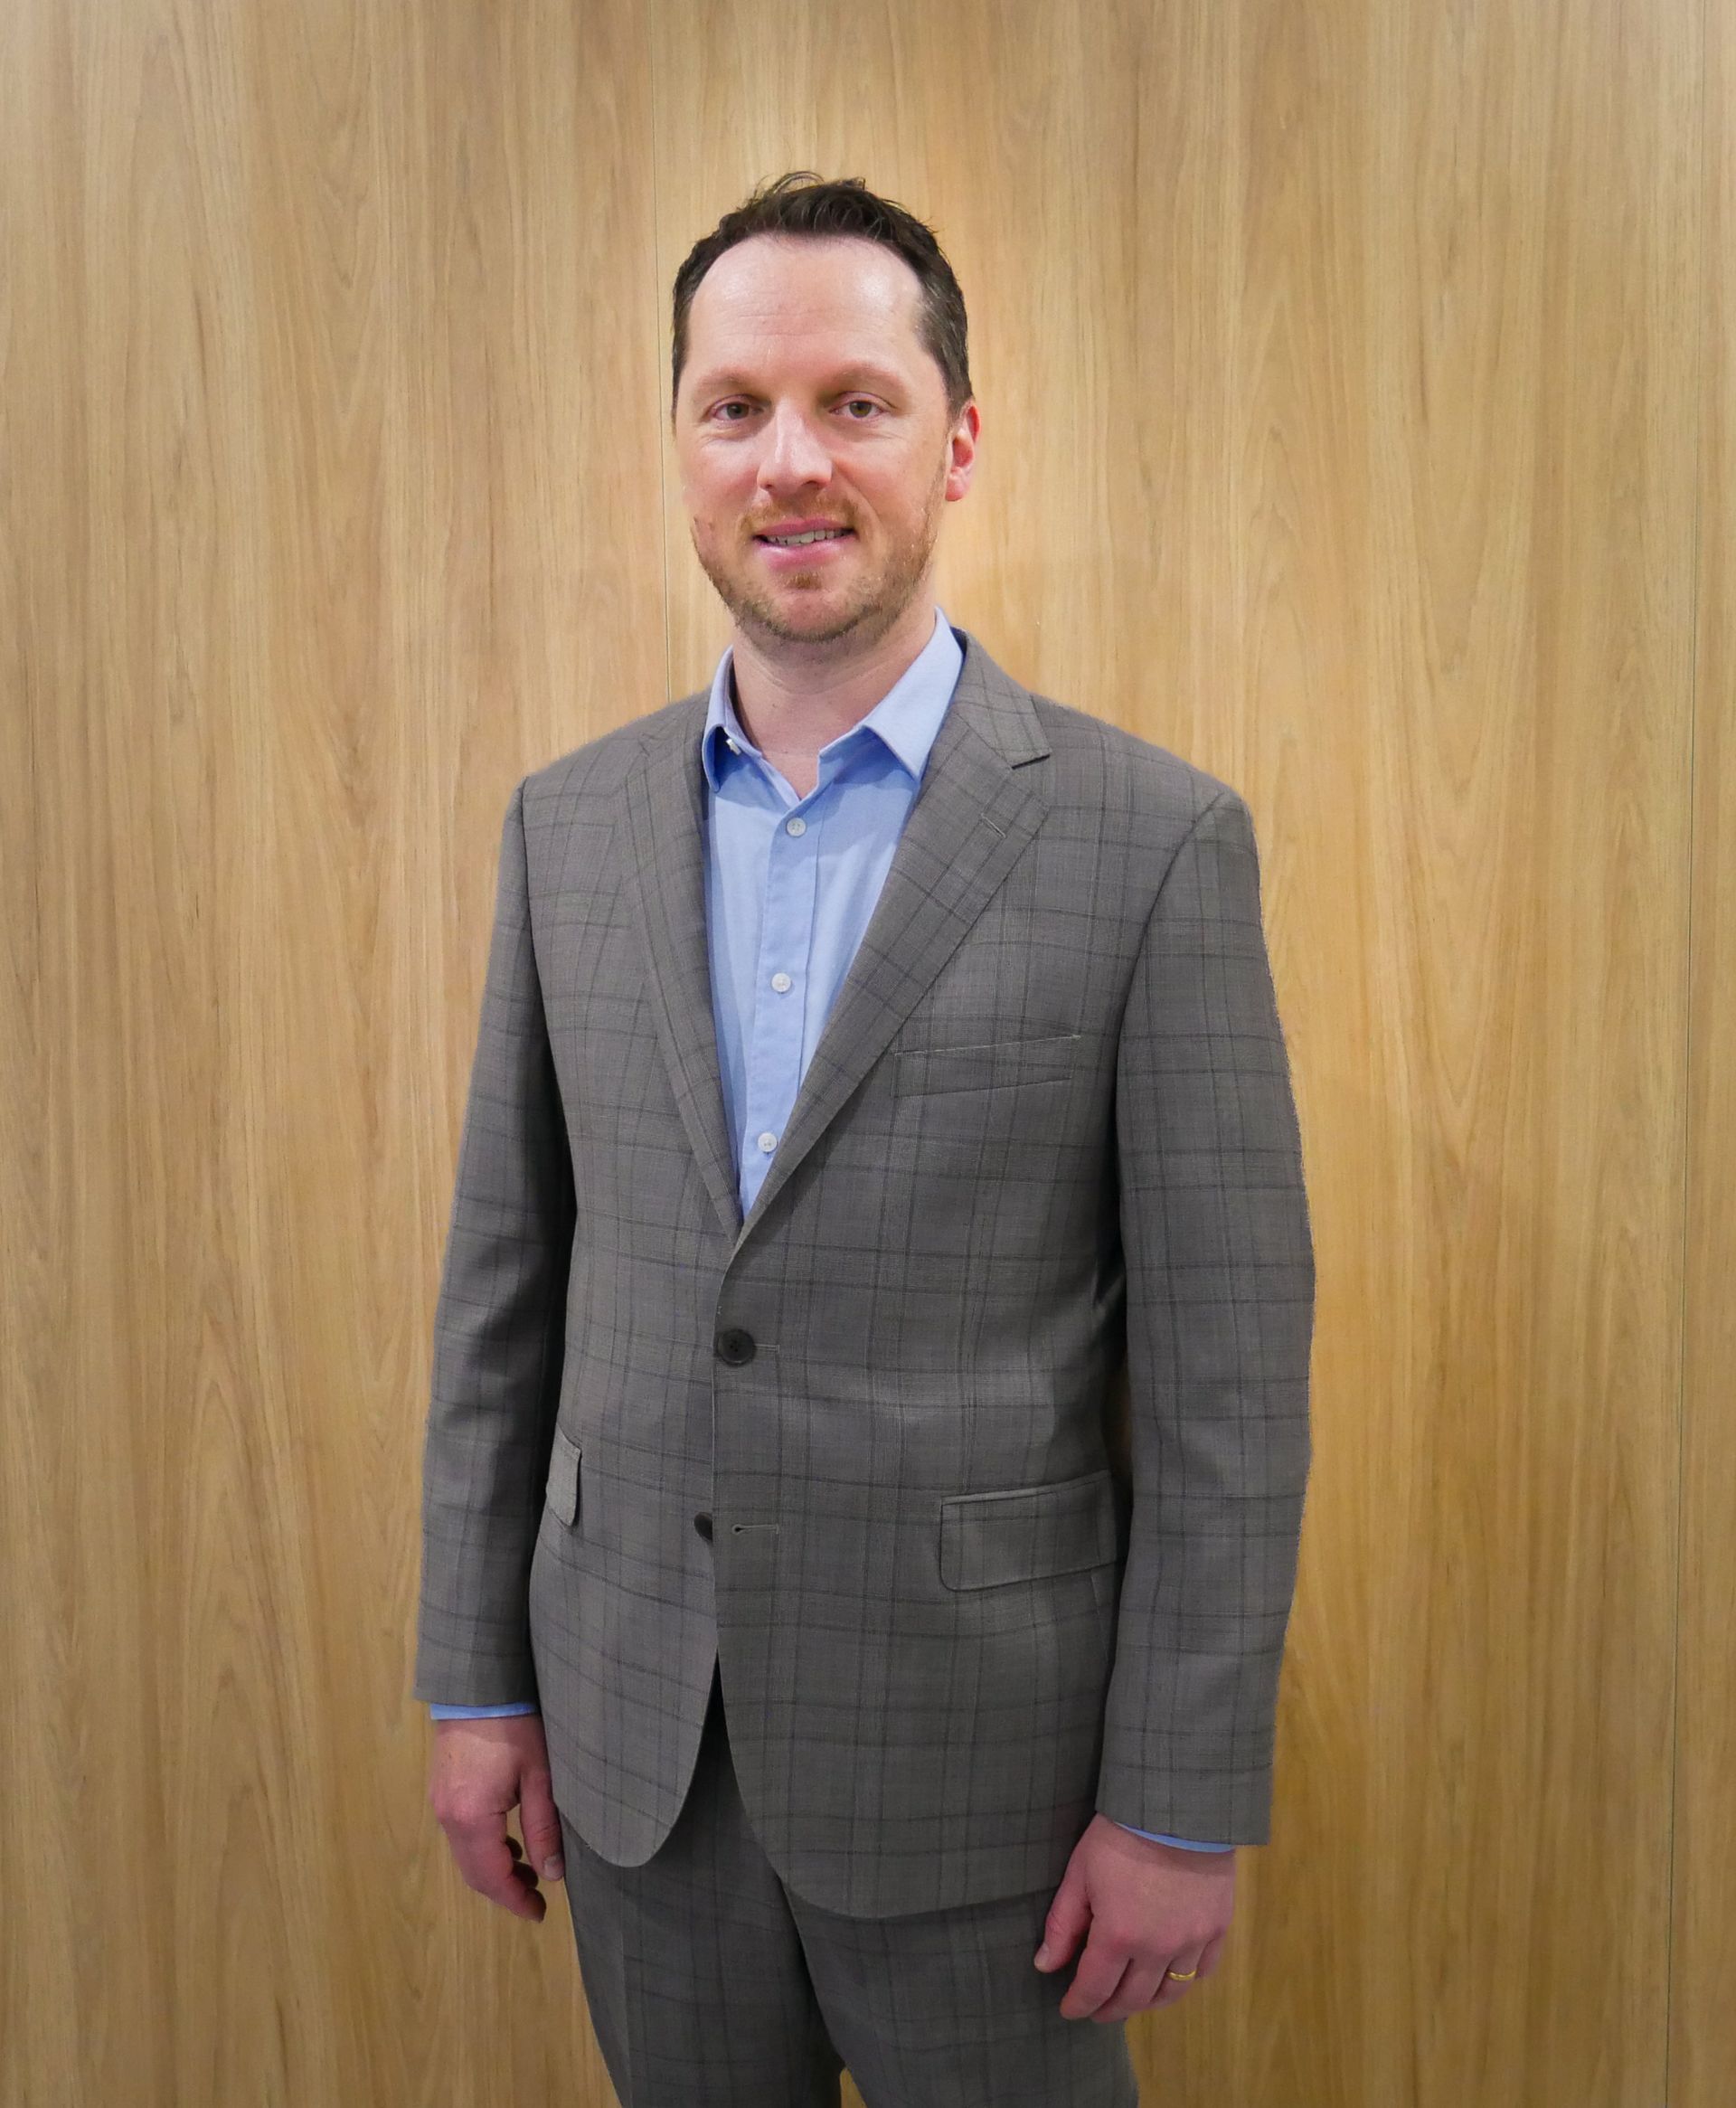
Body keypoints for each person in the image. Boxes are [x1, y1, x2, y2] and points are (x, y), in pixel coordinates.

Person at [413, 171, 1315, 2108]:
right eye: (735, 406)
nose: (790, 462)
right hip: (641, 1755)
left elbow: (1231, 1376)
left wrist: (1177, 1793)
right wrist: (477, 1679)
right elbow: (508, 1290)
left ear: (960, 440)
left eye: (856, 401)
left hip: (993, 1797)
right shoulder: (563, 833)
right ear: (677, 445)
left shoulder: (1150, 846)